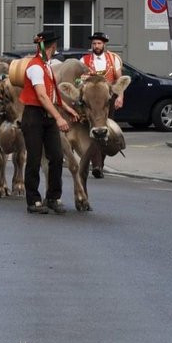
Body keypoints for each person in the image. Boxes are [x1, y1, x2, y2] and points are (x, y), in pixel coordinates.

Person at [20, 30, 80, 215]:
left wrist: (66, 108)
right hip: (34, 115)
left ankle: (53, 197)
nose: (54, 49)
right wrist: (59, 117)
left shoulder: (46, 66)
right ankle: (34, 200)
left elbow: (52, 92)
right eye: (54, 47)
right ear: (52, 47)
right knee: (34, 158)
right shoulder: (35, 66)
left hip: (47, 116)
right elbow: (41, 96)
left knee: (55, 157)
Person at [79, 31, 125, 113]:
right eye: (94, 43)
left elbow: (119, 80)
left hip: (109, 98)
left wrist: (120, 97)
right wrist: (82, 79)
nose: (96, 46)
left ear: (104, 44)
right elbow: (78, 81)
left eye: (99, 43)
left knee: (109, 122)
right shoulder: (83, 60)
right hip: (91, 100)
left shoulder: (114, 59)